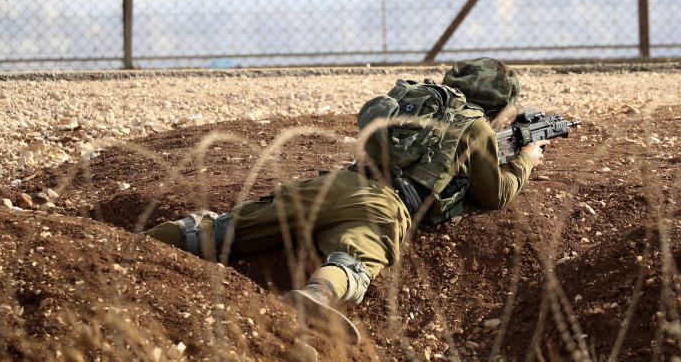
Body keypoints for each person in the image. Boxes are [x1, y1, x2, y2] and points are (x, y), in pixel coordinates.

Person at [143, 57, 549, 345]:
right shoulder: (475, 126)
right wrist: (526, 162)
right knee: (353, 262)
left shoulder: (419, 99)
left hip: (337, 183)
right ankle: (317, 295)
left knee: (222, 229)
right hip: (385, 207)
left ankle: (139, 243)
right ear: (499, 106)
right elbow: (495, 195)